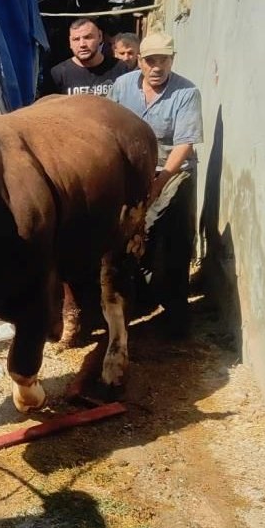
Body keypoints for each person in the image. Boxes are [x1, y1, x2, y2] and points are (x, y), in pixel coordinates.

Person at [109, 32, 204, 336]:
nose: (157, 66)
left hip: (172, 170)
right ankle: (135, 304)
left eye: (164, 60)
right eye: (151, 60)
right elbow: (108, 126)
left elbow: (184, 143)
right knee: (126, 237)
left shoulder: (186, 92)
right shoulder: (123, 87)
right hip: (134, 171)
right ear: (140, 61)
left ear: (172, 60)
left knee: (167, 237)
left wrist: (161, 180)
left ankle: (176, 316)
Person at [41, 18, 129, 97]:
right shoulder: (57, 75)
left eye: (88, 37)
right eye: (76, 39)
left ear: (100, 37)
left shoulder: (120, 68)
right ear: (70, 43)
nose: (82, 44)